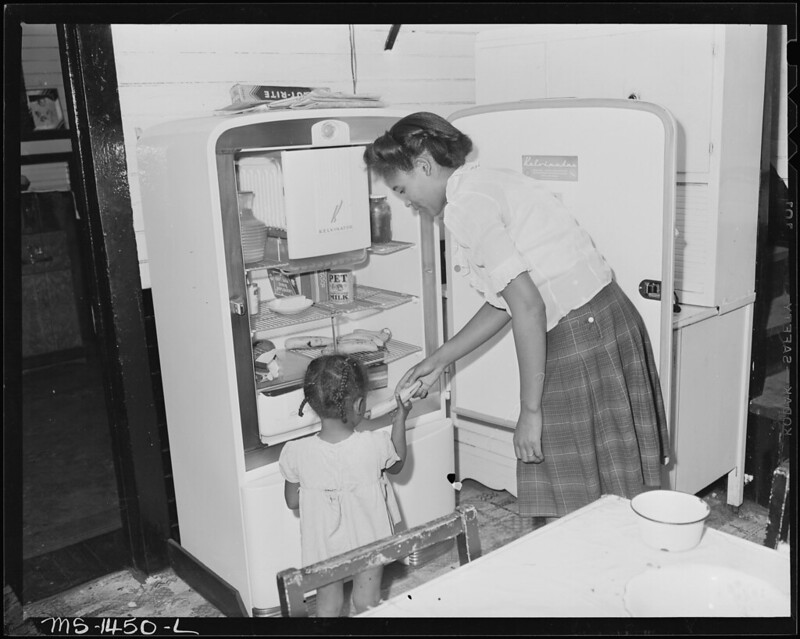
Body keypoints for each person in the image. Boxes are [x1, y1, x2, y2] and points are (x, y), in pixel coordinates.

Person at [363, 111, 669, 521]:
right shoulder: (488, 182)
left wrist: (530, 411)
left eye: (403, 189)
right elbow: (505, 301)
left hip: (579, 334)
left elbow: (527, 306)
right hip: (609, 317)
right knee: (615, 486)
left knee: (574, 496)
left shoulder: (465, 207)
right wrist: (437, 361)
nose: (407, 202)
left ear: (424, 166)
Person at [279, 354, 410, 617]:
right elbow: (397, 463)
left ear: (313, 405)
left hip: (322, 545)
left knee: (327, 607)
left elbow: (293, 501)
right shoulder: (374, 444)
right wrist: (399, 420)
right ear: (360, 404)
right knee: (367, 602)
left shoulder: (296, 452)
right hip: (369, 537)